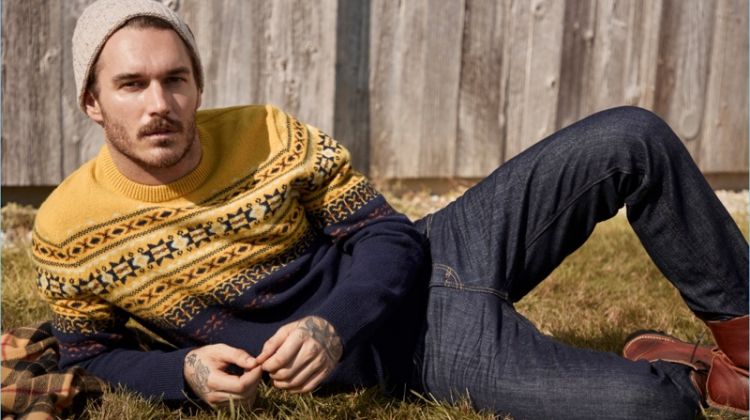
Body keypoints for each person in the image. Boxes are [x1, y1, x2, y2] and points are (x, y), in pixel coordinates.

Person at [31, 0, 748, 418]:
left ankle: (744, 358)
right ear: (92, 101)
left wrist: (331, 324)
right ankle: (687, 374)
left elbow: (385, 234)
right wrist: (184, 375)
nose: (159, 104)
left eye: (175, 80)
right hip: (418, 350)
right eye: (131, 84)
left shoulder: (266, 133)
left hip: (440, 250)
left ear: (197, 85)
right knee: (651, 409)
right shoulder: (68, 230)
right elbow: (91, 355)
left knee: (630, 138)